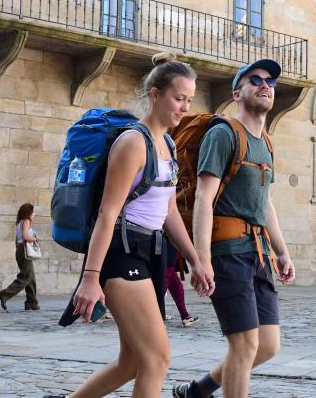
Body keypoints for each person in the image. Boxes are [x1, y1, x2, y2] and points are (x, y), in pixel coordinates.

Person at [48, 54, 215, 398]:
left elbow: (167, 212)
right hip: (122, 254)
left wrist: (196, 259)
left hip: (151, 253)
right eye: (178, 98)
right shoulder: (132, 143)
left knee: (132, 361)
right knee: (157, 359)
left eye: (188, 99)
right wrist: (91, 279)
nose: (184, 107)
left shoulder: (166, 145)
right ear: (156, 95)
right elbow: (108, 214)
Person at [172, 59, 296, 398]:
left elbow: (263, 202)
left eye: (270, 81)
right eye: (255, 80)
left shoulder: (266, 143)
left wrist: (282, 252)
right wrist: (202, 259)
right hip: (228, 252)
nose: (265, 85)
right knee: (244, 345)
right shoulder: (223, 133)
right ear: (237, 93)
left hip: (258, 254)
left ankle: (199, 390)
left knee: (267, 345)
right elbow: (203, 198)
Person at [0, 203, 40, 311]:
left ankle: (31, 302)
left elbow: (18, 239)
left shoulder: (20, 222)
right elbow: (26, 236)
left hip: (20, 251)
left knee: (31, 278)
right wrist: (35, 239)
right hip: (24, 252)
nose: (34, 214)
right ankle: (4, 294)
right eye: (33, 211)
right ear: (28, 212)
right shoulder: (26, 221)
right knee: (25, 278)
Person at [164, 238, 199, 327]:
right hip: (165, 248)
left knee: (176, 287)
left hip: (170, 248)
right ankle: (155, 314)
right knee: (164, 287)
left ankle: (185, 316)